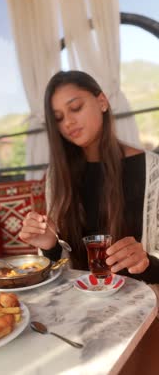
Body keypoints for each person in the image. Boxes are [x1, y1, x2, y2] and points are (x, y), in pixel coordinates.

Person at [19, 70, 159, 284]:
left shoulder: (152, 170)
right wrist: (49, 245)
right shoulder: (58, 176)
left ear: (102, 102)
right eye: (58, 118)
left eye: (75, 108)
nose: (68, 122)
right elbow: (61, 271)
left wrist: (146, 262)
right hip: (80, 302)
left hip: (143, 302)